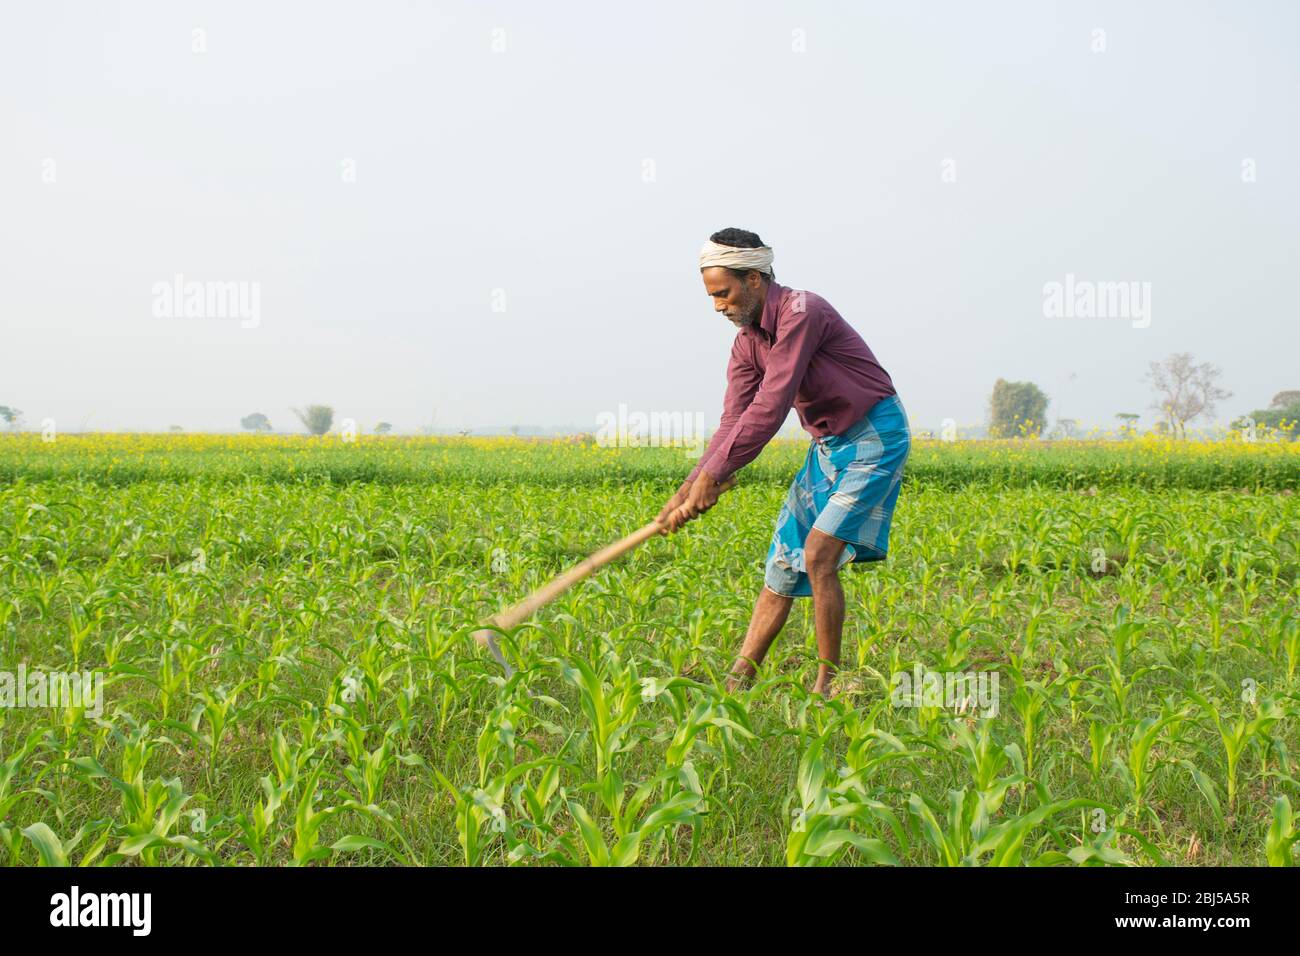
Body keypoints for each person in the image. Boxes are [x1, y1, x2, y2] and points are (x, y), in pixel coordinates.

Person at [658, 227, 911, 698]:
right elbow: (734, 417)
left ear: (754, 279)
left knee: (817, 555)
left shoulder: (802, 313)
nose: (718, 306)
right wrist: (688, 487)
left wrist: (716, 476)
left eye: (723, 293)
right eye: (711, 296)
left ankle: (827, 685)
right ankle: (738, 680)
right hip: (828, 447)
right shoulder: (747, 343)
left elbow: (771, 404)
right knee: (782, 563)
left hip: (875, 437)